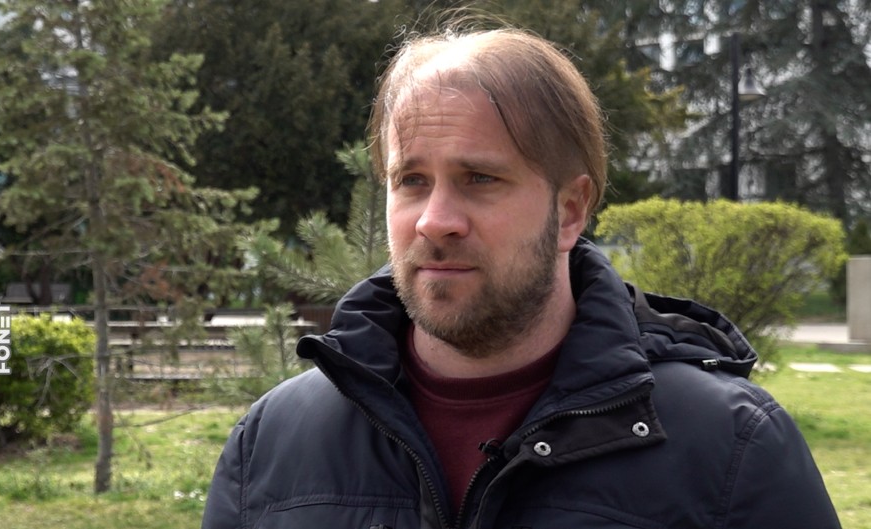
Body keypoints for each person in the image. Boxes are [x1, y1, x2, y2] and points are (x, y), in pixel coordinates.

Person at [202, 25, 841, 529]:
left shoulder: (730, 450)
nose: (435, 220)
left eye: (480, 178)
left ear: (570, 211)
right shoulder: (272, 443)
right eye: (411, 180)